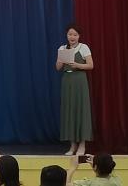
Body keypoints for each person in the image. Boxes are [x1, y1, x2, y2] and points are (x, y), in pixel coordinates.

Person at [55, 24, 94, 156]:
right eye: (70, 34)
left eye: (75, 35)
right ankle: (72, 145)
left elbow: (91, 65)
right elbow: (58, 67)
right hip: (67, 80)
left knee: (81, 110)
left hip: (80, 80)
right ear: (67, 35)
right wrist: (61, 59)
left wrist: (77, 65)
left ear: (79, 36)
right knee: (69, 111)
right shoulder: (62, 48)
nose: (72, 37)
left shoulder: (84, 47)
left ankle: (82, 145)